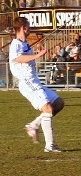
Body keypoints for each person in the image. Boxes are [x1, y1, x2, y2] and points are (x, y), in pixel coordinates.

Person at [9, 17, 65, 152]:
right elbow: (18, 58)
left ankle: (34, 125)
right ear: (24, 28)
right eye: (28, 26)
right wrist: (37, 55)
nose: (30, 29)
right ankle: (50, 146)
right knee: (47, 108)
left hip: (34, 81)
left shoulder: (24, 43)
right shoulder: (16, 43)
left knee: (58, 103)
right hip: (26, 81)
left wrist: (39, 53)